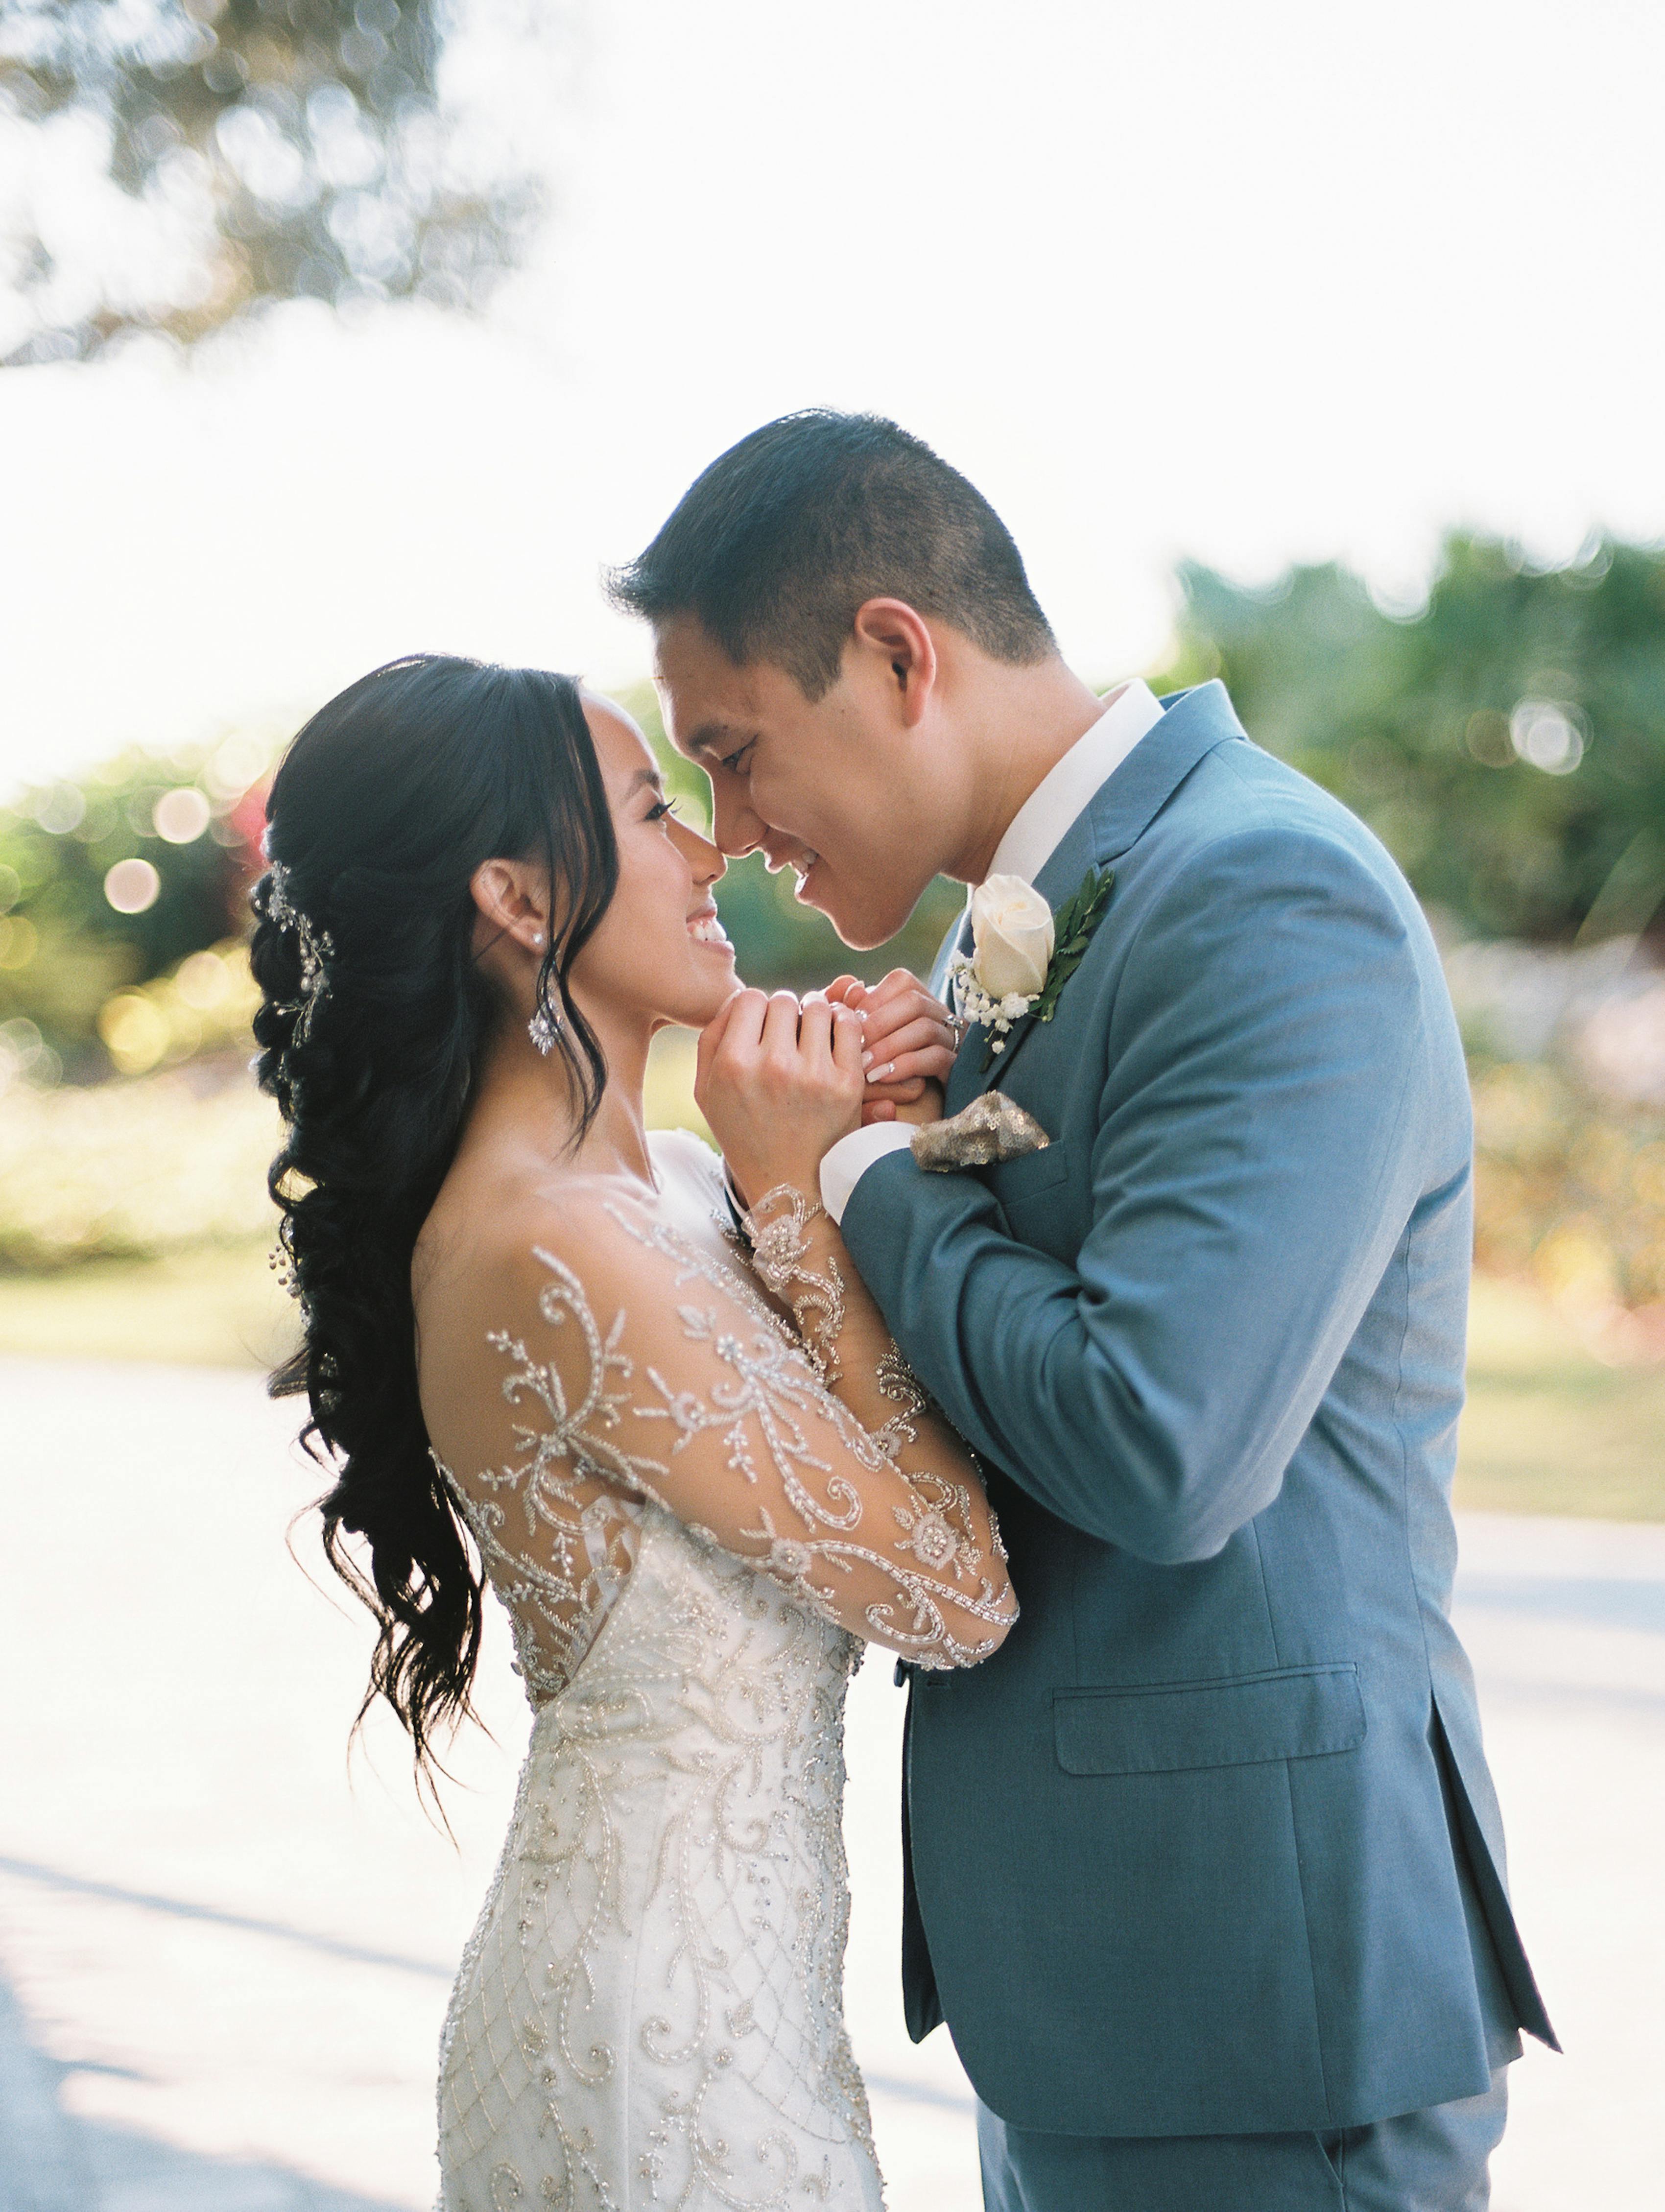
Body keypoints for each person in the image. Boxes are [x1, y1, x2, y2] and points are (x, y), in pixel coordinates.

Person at [611, 410, 1559, 2212]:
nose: (730, 835)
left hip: (1261, 1990)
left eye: (733, 755)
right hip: (1103, 1981)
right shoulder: (1005, 933)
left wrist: (857, 1171)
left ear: (898, 657)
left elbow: (1159, 1443)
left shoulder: (1263, 890)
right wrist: (867, 1152)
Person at [249, 653, 1016, 2211]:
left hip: (729, 2024)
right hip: (658, 2063)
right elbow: (957, 1593)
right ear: (521, 901)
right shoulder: (556, 1247)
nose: (713, 851)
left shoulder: (669, 1183)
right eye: (655, 810)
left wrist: (866, 1136)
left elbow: (885, 1406)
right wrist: (796, 1195)